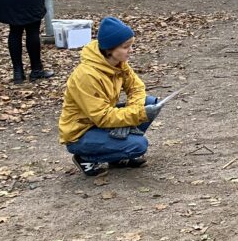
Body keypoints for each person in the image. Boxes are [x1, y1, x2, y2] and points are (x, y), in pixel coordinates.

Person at [58, 17, 168, 177]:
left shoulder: (118, 62)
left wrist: (133, 110)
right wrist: (138, 114)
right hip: (82, 132)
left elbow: (136, 87)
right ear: (109, 49)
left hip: (102, 121)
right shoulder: (86, 75)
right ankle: (85, 157)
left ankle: (118, 155)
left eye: (131, 45)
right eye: (125, 47)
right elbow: (101, 117)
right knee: (139, 145)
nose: (130, 50)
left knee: (149, 102)